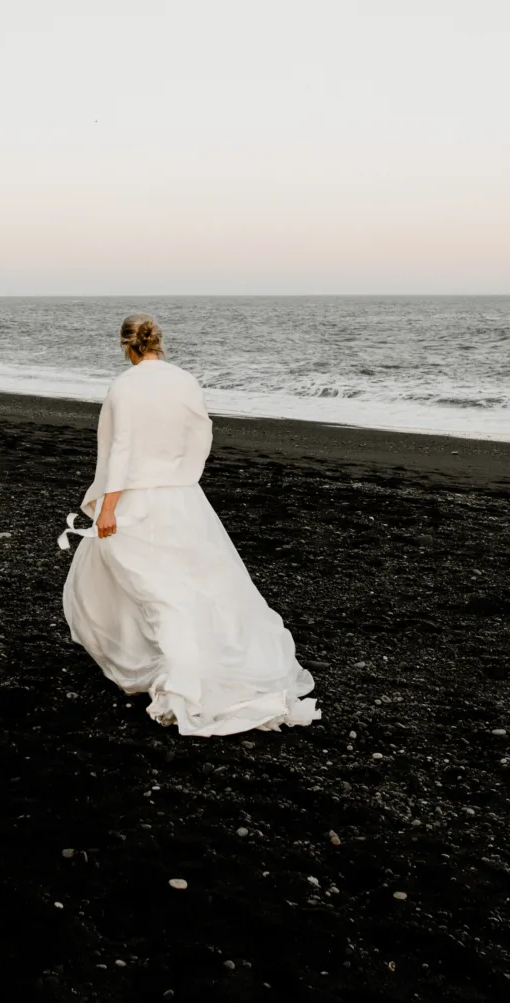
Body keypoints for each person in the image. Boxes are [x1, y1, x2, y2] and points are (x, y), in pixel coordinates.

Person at [60, 314, 319, 736]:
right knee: (195, 580)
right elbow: (203, 431)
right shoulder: (185, 380)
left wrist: (108, 507)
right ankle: (184, 658)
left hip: (137, 495)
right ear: (158, 342)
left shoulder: (124, 386)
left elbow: (121, 447)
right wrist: (184, 474)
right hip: (181, 495)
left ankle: (179, 675)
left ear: (126, 346)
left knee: (153, 586)